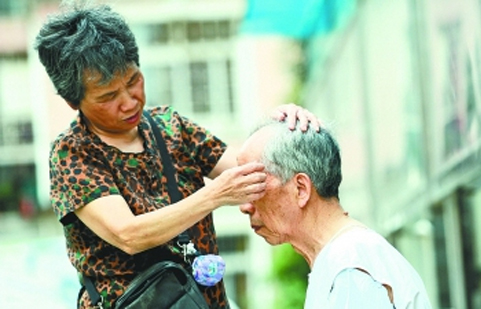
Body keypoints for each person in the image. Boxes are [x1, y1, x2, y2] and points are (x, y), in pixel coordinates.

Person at [33, 3, 319, 309]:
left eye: (133, 81)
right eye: (108, 96)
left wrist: (282, 128)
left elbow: (254, 172)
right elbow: (129, 234)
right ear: (72, 101)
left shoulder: (170, 127)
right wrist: (214, 196)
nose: (129, 102)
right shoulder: (73, 154)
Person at [238, 119, 433, 308]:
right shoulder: (342, 258)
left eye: (252, 186)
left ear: (301, 189)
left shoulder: (349, 264)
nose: (244, 206)